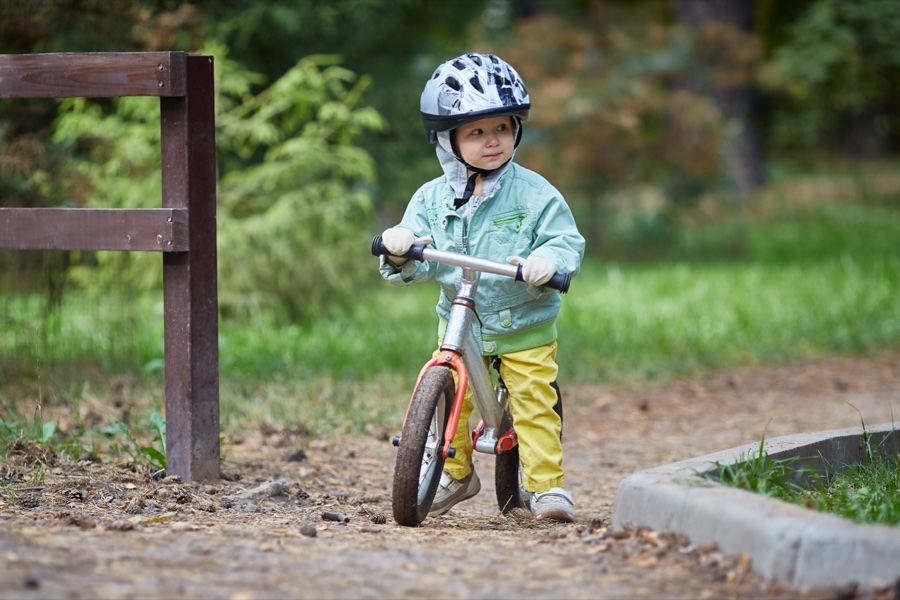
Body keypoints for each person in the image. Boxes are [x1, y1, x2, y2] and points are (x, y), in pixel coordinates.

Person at [378, 52, 585, 522]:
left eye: (502, 129)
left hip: (522, 324)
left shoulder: (534, 193)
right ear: (447, 140)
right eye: (477, 132)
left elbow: (564, 239)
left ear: (517, 130)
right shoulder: (430, 198)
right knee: (454, 390)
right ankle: (455, 473)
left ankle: (546, 487)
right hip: (460, 320)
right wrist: (400, 248)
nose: (493, 142)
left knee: (533, 402)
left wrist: (546, 260)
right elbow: (417, 252)